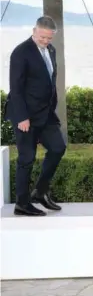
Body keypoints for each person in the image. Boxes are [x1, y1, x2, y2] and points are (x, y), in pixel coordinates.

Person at [3, 16, 66, 216]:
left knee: (58, 147)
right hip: (25, 115)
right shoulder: (21, 52)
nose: (45, 41)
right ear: (34, 30)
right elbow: (16, 88)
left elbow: (49, 80)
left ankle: (40, 191)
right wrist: (21, 117)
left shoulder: (52, 50)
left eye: (49, 38)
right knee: (26, 158)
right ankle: (22, 204)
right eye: (42, 37)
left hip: (45, 114)